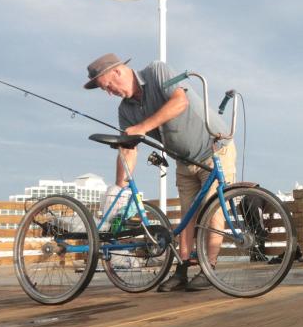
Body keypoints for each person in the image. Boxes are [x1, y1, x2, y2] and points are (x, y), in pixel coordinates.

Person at [84, 53, 235, 291]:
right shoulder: (126, 110)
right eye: (106, 91)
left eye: (109, 86)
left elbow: (179, 102)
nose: (110, 93)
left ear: (118, 71)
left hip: (214, 149)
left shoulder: (157, 71)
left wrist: (142, 128)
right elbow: (128, 149)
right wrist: (119, 187)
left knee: (213, 207)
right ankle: (182, 269)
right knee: (187, 215)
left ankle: (209, 268)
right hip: (184, 161)